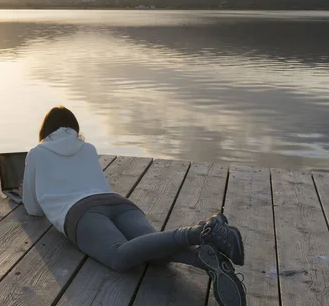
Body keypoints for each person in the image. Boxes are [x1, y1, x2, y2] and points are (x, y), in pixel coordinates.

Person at [21, 106, 247, 306]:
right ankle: (202, 258)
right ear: (74, 128)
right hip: (118, 202)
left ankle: (200, 232)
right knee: (156, 255)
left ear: (45, 131)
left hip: (80, 213)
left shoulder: (37, 154)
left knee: (119, 256)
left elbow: (33, 209)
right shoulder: (88, 148)